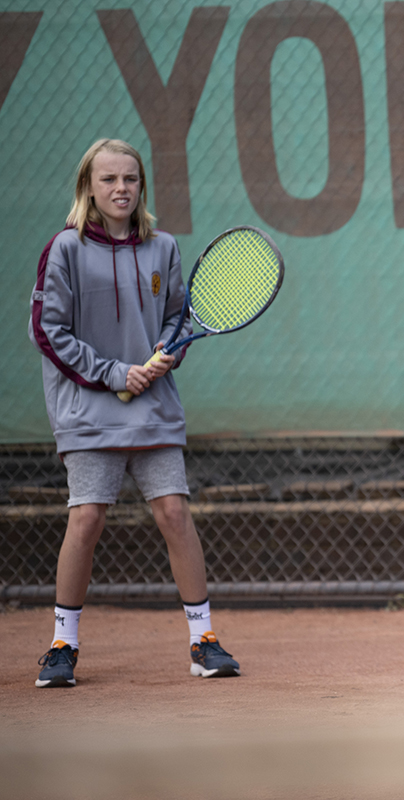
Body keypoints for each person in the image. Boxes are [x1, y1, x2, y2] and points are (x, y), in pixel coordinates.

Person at [28, 138, 239, 687]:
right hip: (88, 411)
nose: (121, 188)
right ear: (88, 187)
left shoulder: (162, 247)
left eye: (130, 178)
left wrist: (167, 352)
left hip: (154, 408)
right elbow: (48, 332)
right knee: (87, 519)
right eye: (109, 179)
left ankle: (204, 641)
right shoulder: (65, 249)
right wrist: (114, 373)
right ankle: (63, 646)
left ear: (141, 185)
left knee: (174, 513)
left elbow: (177, 317)